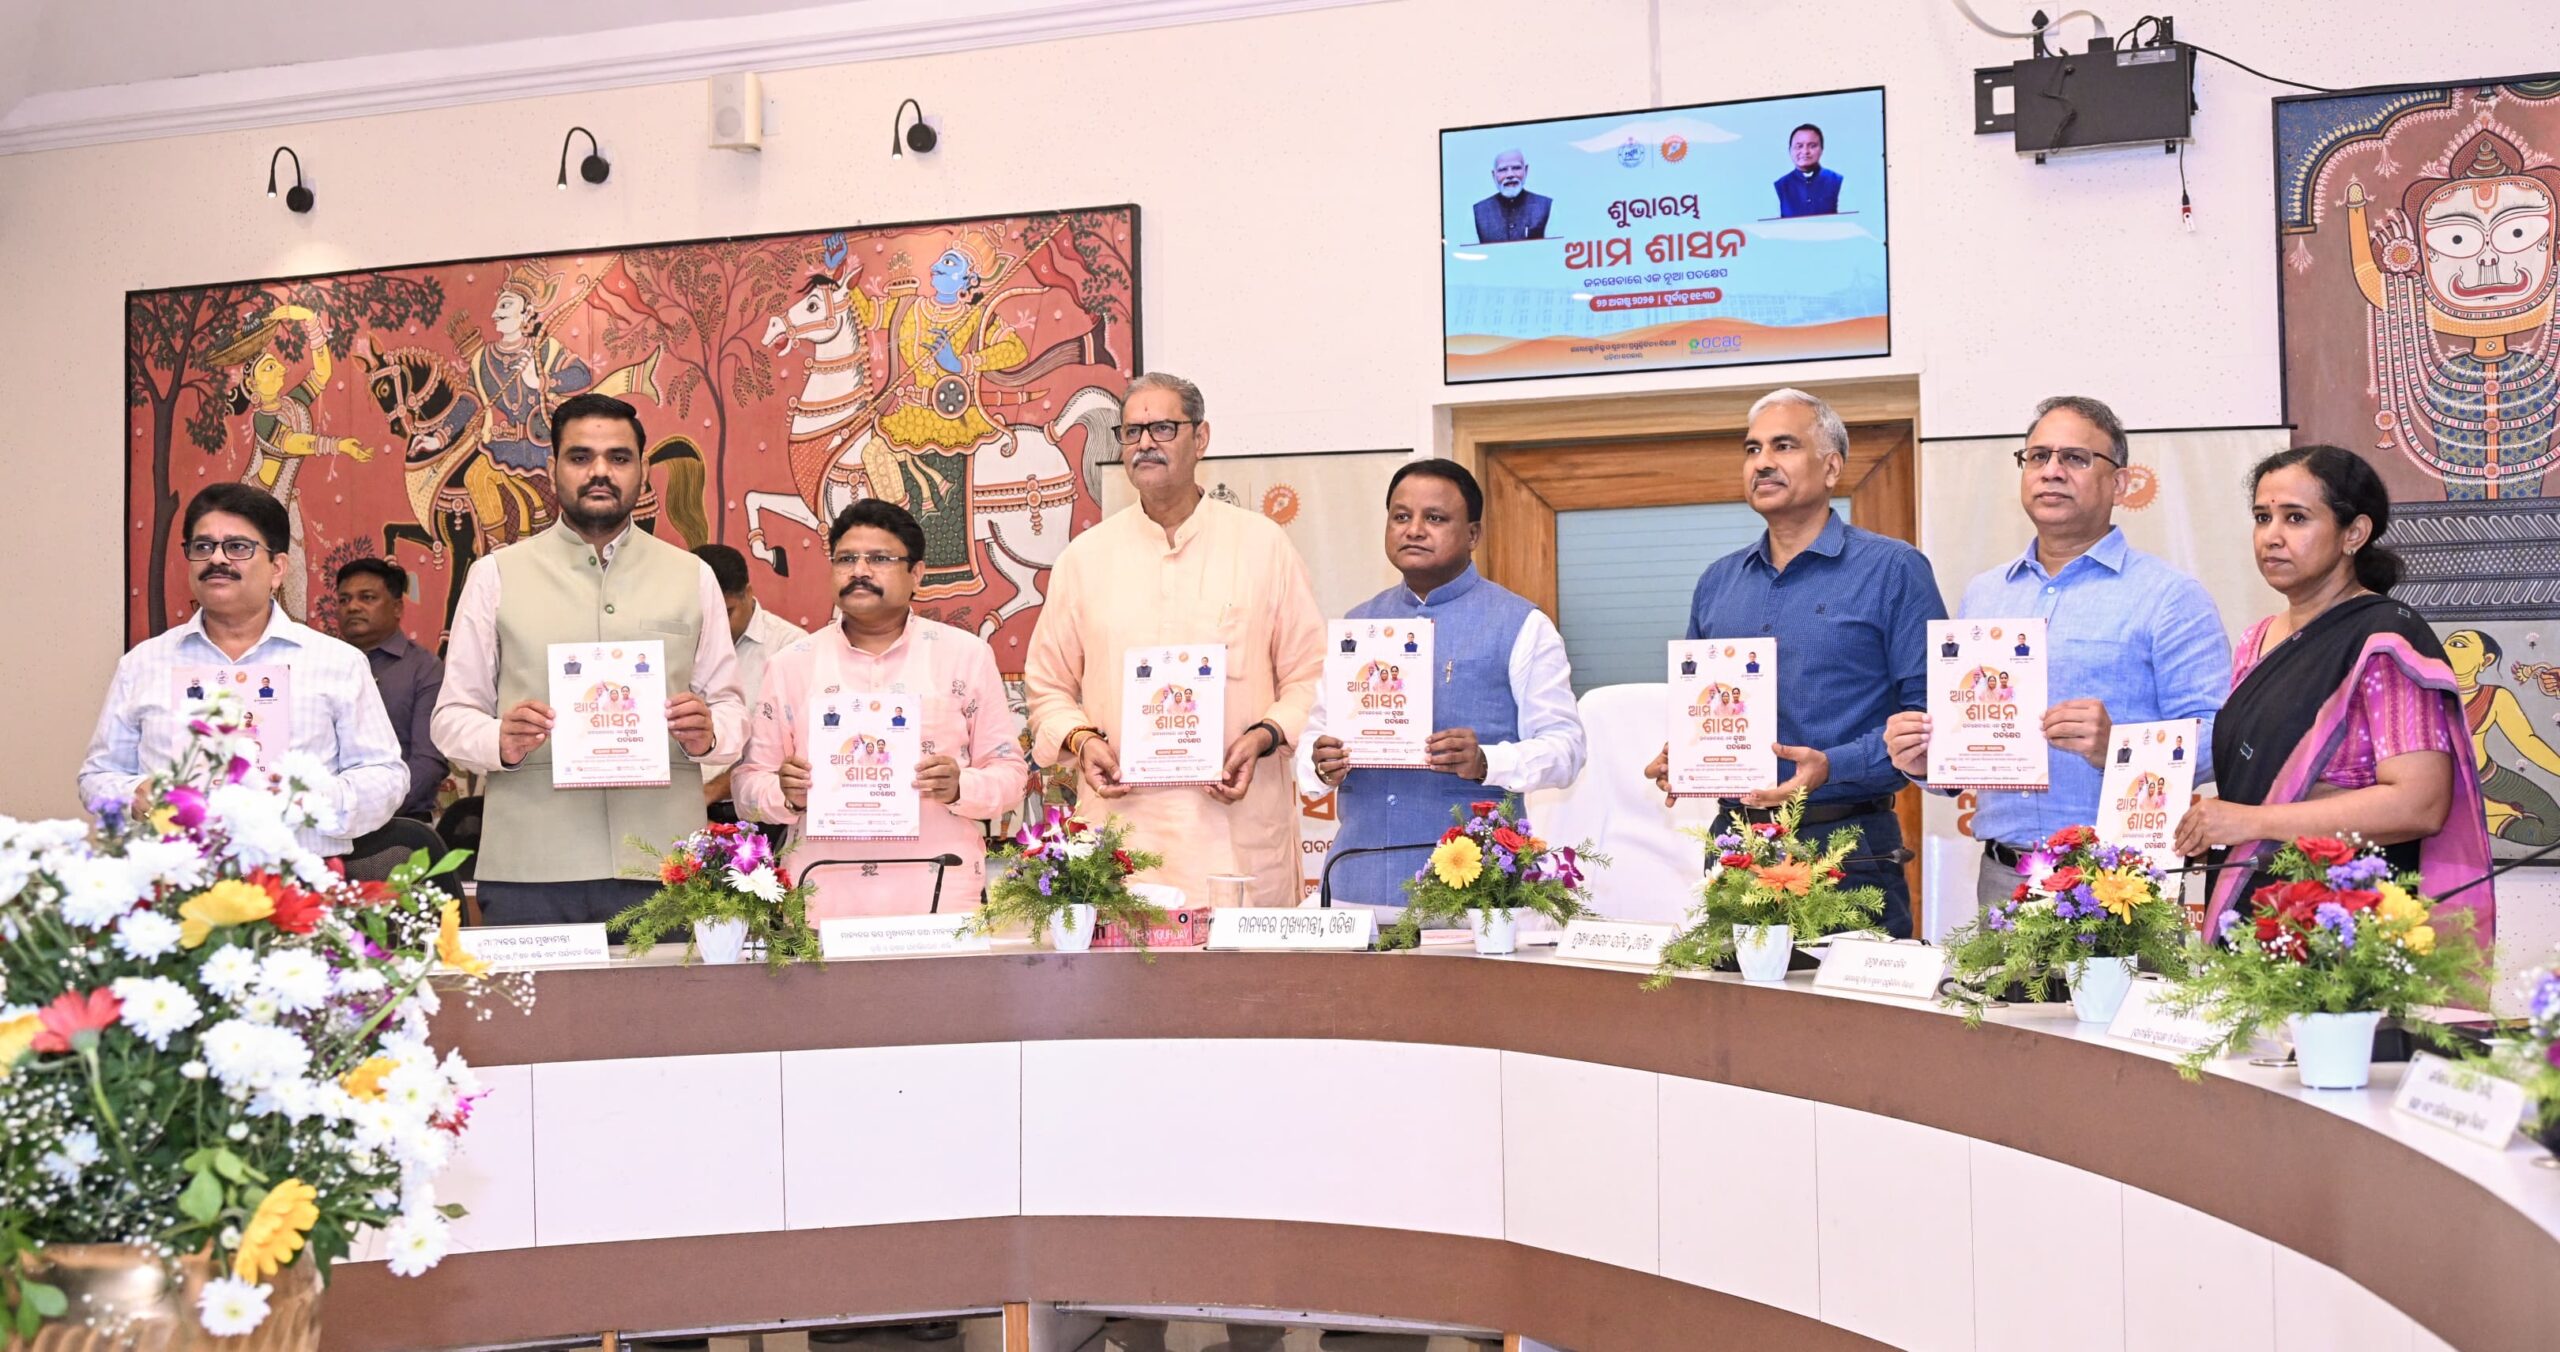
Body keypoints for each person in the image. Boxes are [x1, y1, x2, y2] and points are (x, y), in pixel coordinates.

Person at [1883, 396, 2230, 914]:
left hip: (2118, 879)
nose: (2051, 471)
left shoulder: (2170, 596)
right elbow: (1968, 750)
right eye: (2038, 457)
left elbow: (2219, 737)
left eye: (2075, 458)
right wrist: (1929, 761)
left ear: (2120, 483)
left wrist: (2118, 748)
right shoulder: (1985, 594)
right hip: (2004, 878)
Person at [431, 393, 747, 925]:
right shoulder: (496, 575)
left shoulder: (692, 576)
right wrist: (500, 740)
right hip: (532, 865)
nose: (600, 471)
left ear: (643, 470)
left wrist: (709, 733)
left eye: (619, 458)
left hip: (664, 863)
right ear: (553, 468)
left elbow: (733, 710)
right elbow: (450, 718)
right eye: (580, 457)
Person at [1645, 388, 1943, 937]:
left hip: (1848, 851)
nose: (1762, 462)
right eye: (1751, 449)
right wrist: (1687, 754)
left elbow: (1932, 720)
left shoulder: (1893, 569)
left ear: (1831, 468)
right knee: (1728, 995)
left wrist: (1834, 764)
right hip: (1737, 849)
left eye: (1783, 446)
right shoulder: (1717, 582)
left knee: (1850, 999)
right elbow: (1703, 707)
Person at [1025, 372, 1326, 906]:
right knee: (1126, 960)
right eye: (1131, 432)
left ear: (1200, 438)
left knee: (1243, 963)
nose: (1145, 443)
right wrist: (1082, 740)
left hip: (1234, 831)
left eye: (1163, 428)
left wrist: (1264, 736)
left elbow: (1311, 675)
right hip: (1121, 833)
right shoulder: (1085, 559)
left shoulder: (1262, 546)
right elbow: (1047, 686)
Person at [2173, 445, 2493, 940]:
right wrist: (2208, 825)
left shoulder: (2385, 639)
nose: (2272, 536)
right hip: (2254, 911)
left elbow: (2419, 803)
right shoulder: (2256, 640)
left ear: (2354, 533)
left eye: (2296, 518)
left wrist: (2250, 821)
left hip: (2345, 924)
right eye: (2262, 517)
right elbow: (2264, 785)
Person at [1304, 459, 1587, 911]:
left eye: (1434, 518)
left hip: (1472, 898)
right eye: (1401, 516)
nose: (1414, 530)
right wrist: (1321, 763)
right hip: (1356, 887)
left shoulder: (1521, 624)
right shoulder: (1358, 626)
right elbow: (1312, 742)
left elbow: (1566, 749)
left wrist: (1486, 761)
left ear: (1473, 534)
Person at [733, 499, 1027, 917]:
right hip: (823, 896)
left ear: (916, 573)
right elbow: (747, 788)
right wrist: (785, 793)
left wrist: (960, 786)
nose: (859, 570)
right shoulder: (791, 665)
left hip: (939, 894)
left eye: (879, 559)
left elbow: (1011, 776)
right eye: (846, 559)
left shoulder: (965, 656)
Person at [81, 483, 405, 857]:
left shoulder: (338, 663)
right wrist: (136, 795)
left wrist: (307, 799)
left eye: (237, 547)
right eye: (203, 547)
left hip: (296, 879)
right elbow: (97, 776)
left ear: (277, 568)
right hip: (172, 877)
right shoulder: (142, 664)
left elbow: (386, 776)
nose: (217, 558)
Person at [693, 542, 809, 813]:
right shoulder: (681, 639)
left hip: (751, 808)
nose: (713, 624)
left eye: (726, 612)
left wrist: (712, 791)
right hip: (684, 801)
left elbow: (783, 748)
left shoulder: (790, 647)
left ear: (748, 593)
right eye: (704, 614)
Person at [333, 557, 448, 821]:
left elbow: (428, 762)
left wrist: (367, 812)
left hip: (399, 824)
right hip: (325, 822)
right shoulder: (321, 664)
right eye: (344, 600)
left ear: (397, 608)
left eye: (367, 598)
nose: (353, 607)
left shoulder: (425, 669)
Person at [2444, 628, 2560, 845]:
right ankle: (2470, 810)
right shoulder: (2428, 693)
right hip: (2444, 784)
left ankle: (2476, 815)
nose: (2445, 649)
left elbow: (2528, 741)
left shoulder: (2495, 695)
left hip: (2490, 776)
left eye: (2458, 644)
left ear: (2485, 660)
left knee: (2552, 828)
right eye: (2445, 643)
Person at [1472, 148, 1553, 243]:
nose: (1510, 175)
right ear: (1494, 175)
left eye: (1516, 168)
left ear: (1526, 170)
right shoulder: (1476, 212)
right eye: (1503, 170)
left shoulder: (1547, 207)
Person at [1774, 123, 1843, 218]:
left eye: (1812, 146)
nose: (1805, 151)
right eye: (1799, 146)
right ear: (1790, 150)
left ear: (1822, 149)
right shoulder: (1779, 186)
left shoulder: (1838, 181)